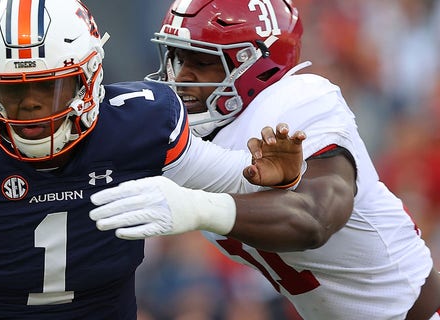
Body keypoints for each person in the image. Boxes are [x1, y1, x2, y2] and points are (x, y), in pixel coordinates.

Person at [0, 0, 307, 319]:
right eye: (11, 93)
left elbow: (239, 182)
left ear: (90, 78)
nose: (29, 111)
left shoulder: (141, 124)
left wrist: (279, 174)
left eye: (48, 89)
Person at [89, 0, 440, 319]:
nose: (181, 78)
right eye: (177, 58)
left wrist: (198, 207)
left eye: (204, 62)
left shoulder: (298, 103)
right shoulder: (186, 132)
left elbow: (315, 220)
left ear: (257, 66)